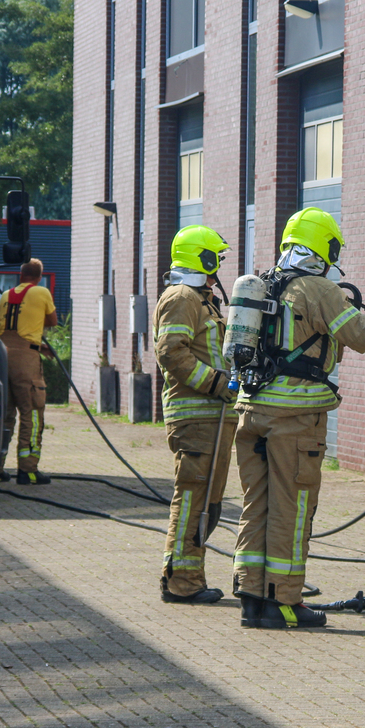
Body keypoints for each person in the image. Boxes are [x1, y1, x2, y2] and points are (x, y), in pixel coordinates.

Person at [232, 207, 365, 629]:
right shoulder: (319, 288)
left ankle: (252, 597)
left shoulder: (264, 282)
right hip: (294, 419)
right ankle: (285, 602)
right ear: (323, 246)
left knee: (257, 504)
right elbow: (362, 337)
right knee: (292, 506)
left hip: (250, 411)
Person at [152, 226, 239, 605]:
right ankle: (181, 583)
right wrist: (217, 384)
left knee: (208, 502)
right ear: (201, 258)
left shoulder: (200, 299)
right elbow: (170, 352)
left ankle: (190, 577)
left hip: (213, 419)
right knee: (192, 499)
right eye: (215, 257)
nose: (219, 263)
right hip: (197, 418)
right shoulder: (181, 297)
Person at [0, 258, 57, 485]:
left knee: (4, 415)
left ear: (20, 275)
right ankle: (28, 470)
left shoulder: (5, 295)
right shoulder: (41, 293)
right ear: (39, 276)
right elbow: (52, 321)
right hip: (25, 361)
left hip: (1, 356)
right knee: (31, 410)